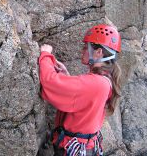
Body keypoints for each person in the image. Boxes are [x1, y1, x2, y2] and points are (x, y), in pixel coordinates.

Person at [39, 24, 122, 156]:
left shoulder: (96, 82)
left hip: (72, 149)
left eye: (85, 47)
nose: (82, 51)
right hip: (82, 147)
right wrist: (67, 77)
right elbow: (83, 97)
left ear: (98, 52)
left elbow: (50, 82)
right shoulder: (105, 78)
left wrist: (45, 55)